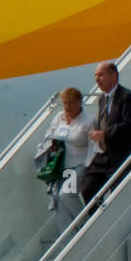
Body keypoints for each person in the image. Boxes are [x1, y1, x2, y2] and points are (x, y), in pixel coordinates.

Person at [80, 62, 131, 205]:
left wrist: (104, 134)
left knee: (118, 194)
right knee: (88, 189)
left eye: (101, 75)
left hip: (123, 154)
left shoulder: (126, 96)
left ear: (114, 76)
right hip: (106, 155)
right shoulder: (102, 99)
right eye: (95, 76)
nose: (97, 79)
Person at [44, 87, 92, 233]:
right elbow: (49, 133)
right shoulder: (60, 117)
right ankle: (68, 239)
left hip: (81, 164)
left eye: (70, 103)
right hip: (64, 165)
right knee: (60, 202)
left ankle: (87, 225)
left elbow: (94, 146)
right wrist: (51, 142)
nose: (67, 107)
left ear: (79, 102)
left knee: (66, 194)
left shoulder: (88, 121)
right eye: (65, 103)